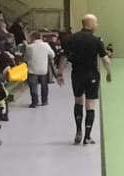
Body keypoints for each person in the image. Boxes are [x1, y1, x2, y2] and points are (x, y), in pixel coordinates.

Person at [65, 13, 112, 145]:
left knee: (78, 101)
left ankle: (78, 130)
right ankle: (87, 136)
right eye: (96, 22)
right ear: (90, 24)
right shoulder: (96, 40)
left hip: (76, 74)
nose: (97, 25)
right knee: (90, 104)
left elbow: (64, 56)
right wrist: (109, 73)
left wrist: (59, 73)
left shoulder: (72, 38)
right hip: (91, 75)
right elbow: (105, 60)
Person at [25, 30, 56, 105]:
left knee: (33, 86)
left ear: (33, 37)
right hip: (43, 69)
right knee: (44, 85)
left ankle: (35, 102)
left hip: (32, 69)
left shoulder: (30, 47)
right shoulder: (46, 45)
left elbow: (26, 58)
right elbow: (52, 54)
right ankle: (44, 101)